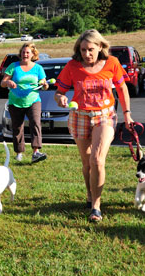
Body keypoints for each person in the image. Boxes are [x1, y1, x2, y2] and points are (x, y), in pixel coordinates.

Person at [54, 29, 134, 222]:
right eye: (83, 50)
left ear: (100, 47)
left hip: (105, 115)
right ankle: (90, 196)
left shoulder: (112, 63)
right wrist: (61, 98)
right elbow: (59, 92)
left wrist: (127, 114)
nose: (87, 54)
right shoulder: (72, 66)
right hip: (79, 116)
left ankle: (96, 206)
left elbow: (122, 89)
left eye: (90, 49)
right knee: (87, 163)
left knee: (97, 160)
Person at [1, 43, 48, 163]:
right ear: (20, 53)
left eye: (27, 52)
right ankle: (19, 152)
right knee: (17, 127)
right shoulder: (13, 66)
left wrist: (44, 84)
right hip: (15, 101)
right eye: (23, 52)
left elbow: (44, 84)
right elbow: (2, 82)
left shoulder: (38, 68)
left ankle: (36, 152)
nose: (25, 54)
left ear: (33, 54)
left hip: (33, 100)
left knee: (36, 123)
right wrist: (8, 82)